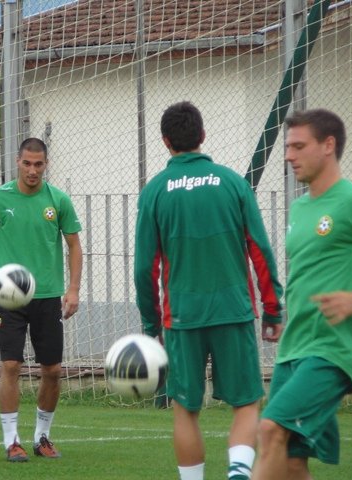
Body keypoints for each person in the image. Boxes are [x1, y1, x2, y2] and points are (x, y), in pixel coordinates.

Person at [134, 101, 283, 480]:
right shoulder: (233, 182)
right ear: (202, 135)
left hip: (182, 317)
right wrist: (272, 308)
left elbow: (143, 269)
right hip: (233, 310)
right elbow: (260, 251)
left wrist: (152, 327)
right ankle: (237, 474)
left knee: (185, 408)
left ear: (166, 141)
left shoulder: (155, 191)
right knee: (247, 404)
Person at [253, 109, 352, 479]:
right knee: (291, 460)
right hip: (293, 348)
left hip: (331, 349)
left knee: (270, 430)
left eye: (299, 146)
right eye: (288, 146)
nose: (288, 155)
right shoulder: (300, 208)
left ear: (328, 145)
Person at [0, 137, 83, 462]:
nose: (32, 170)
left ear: (46, 165)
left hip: (48, 296)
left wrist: (73, 289)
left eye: (39, 164)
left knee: (52, 371)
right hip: (8, 296)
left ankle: (42, 437)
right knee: (10, 364)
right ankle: (11, 441)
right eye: (27, 163)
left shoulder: (58, 201)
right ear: (17, 162)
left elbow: (75, 245)